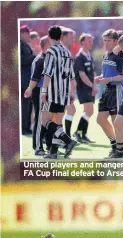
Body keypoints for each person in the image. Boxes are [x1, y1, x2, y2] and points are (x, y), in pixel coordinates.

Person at [41, 25, 78, 159]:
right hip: (64, 94)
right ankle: (53, 152)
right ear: (61, 37)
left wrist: (43, 91)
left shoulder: (51, 51)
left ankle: (68, 141)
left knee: (44, 120)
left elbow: (47, 73)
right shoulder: (67, 52)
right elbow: (72, 77)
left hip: (53, 92)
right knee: (57, 122)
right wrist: (71, 93)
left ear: (49, 37)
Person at [95, 29, 123, 158]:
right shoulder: (106, 54)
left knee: (116, 121)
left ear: (116, 41)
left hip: (116, 90)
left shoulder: (120, 57)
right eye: (104, 40)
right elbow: (106, 73)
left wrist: (109, 79)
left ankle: (119, 150)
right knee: (100, 119)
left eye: (108, 41)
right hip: (106, 90)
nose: (105, 43)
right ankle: (115, 145)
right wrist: (100, 77)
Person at [24, 36, 50, 156]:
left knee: (44, 119)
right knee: (40, 119)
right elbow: (35, 78)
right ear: (47, 45)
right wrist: (30, 89)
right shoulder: (41, 59)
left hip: (45, 92)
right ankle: (38, 147)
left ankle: (46, 144)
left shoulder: (46, 58)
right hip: (39, 92)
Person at [73, 33, 97, 144]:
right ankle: (77, 133)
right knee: (89, 111)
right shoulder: (79, 57)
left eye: (91, 41)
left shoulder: (89, 55)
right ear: (82, 42)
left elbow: (93, 72)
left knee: (88, 111)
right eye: (88, 41)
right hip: (83, 87)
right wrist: (92, 86)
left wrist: (94, 85)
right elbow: (82, 75)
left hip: (90, 87)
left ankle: (83, 134)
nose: (91, 43)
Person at [60, 27, 77, 137]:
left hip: (65, 86)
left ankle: (66, 136)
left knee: (70, 110)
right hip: (60, 87)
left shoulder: (66, 51)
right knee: (60, 113)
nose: (73, 40)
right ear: (64, 37)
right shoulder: (60, 51)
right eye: (71, 37)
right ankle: (63, 137)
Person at [20, 25, 35, 135]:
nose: (29, 35)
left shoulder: (25, 44)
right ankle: (23, 128)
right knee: (25, 104)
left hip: (28, 78)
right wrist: (33, 57)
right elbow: (21, 60)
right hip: (24, 78)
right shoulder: (20, 44)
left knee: (28, 104)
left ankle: (27, 126)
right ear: (23, 33)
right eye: (28, 33)